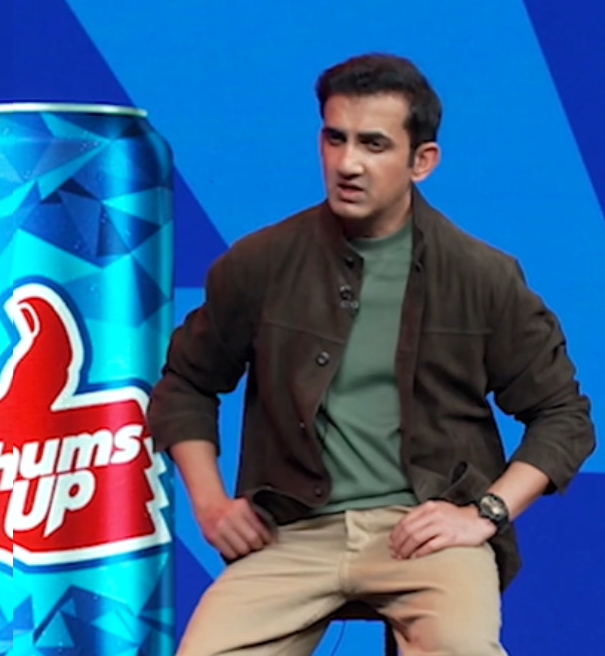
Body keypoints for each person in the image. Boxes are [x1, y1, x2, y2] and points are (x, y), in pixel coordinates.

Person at [148, 52, 595, 656]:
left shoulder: (481, 275)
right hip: (293, 530)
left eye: (374, 145)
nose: (348, 164)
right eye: (335, 139)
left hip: (426, 532)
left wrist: (485, 513)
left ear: (422, 161)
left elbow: (564, 416)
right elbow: (187, 382)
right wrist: (209, 506)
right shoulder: (260, 263)